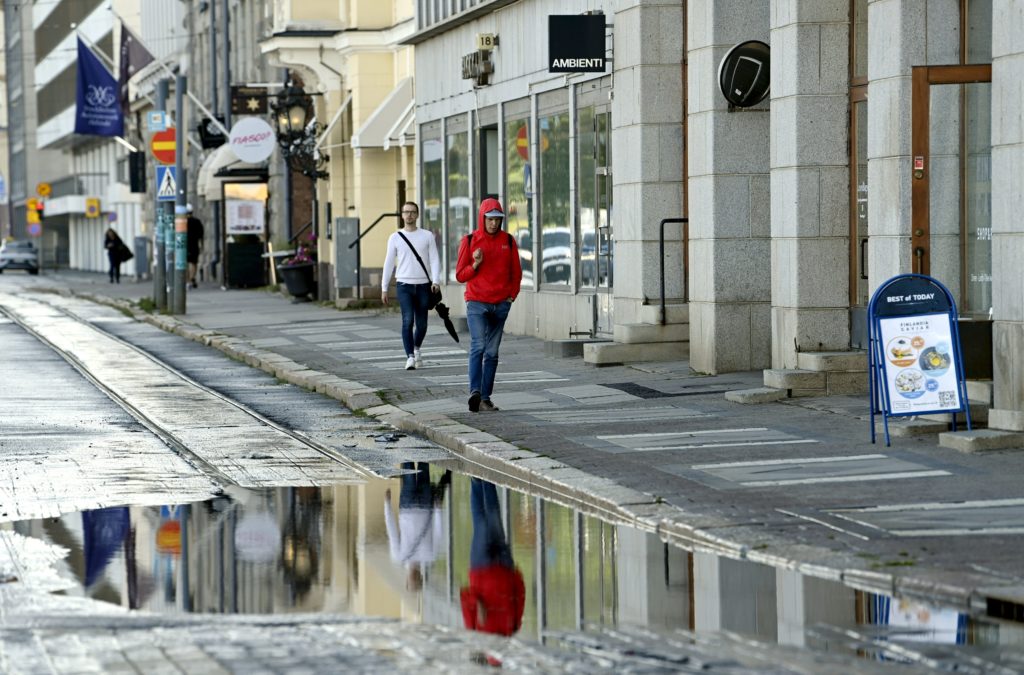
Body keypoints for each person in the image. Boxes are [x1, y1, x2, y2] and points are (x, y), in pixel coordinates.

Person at [455, 197, 522, 412]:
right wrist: (475, 264)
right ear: (482, 218)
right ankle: (475, 392)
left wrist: (511, 297)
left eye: (497, 219)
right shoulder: (469, 240)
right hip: (477, 303)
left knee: (492, 352)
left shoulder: (508, 241)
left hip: (501, 304)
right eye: (490, 219)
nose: (494, 223)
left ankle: (485, 398)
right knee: (479, 345)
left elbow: (516, 273)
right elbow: (460, 275)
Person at [460, 478, 525, 636]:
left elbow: (464, 596)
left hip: (481, 568)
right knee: (494, 515)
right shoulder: (513, 627)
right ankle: (488, 478)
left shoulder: (475, 632)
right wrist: (515, 574)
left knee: (481, 523)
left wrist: (478, 603)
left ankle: (476, 479)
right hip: (504, 565)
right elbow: (520, 595)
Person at [381, 201, 441, 370]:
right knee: (407, 321)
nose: (409, 215)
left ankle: (416, 348)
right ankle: (410, 357)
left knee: (422, 325)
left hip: (423, 285)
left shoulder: (427, 236)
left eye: (412, 212)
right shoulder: (395, 237)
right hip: (404, 285)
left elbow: (434, 259)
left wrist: (436, 281)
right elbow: (388, 263)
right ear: (402, 215)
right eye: (406, 212)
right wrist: (384, 287)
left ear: (417, 215)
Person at [383, 462, 452, 592]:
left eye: (411, 582)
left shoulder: (399, 556)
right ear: (421, 577)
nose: (413, 578)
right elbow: (438, 533)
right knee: (423, 468)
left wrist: (387, 506)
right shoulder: (430, 556)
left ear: (406, 580)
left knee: (408, 468)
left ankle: (407, 449)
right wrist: (438, 510)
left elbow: (392, 532)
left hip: (407, 506)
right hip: (425, 505)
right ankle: (422, 450)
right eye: (416, 581)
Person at [186, 205, 204, 289]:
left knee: (185, 263)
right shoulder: (197, 221)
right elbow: (201, 235)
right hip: (194, 244)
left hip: (184, 245)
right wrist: (201, 245)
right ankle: (192, 277)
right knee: (194, 262)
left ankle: (187, 280)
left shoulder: (181, 222)